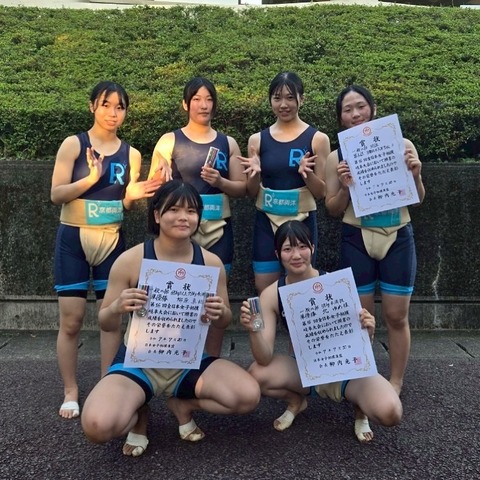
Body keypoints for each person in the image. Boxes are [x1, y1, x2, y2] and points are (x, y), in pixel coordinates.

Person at [81, 180, 260, 457]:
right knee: (97, 426)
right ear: (156, 215)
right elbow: (105, 322)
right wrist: (117, 306)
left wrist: (220, 312)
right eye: (173, 209)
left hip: (188, 360)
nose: (183, 217)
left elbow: (224, 321)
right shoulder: (130, 260)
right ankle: (140, 413)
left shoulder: (210, 263)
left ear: (199, 217)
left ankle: (183, 405)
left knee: (247, 396)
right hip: (139, 361)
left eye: (191, 211)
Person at [51, 81, 162, 419]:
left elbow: (125, 203)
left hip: (112, 241)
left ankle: (106, 385)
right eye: (106, 105)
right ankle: (71, 390)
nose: (113, 113)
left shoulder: (131, 154)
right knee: (71, 321)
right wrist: (90, 179)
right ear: (92, 106)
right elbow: (56, 194)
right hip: (73, 239)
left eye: (120, 107)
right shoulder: (74, 144)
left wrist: (132, 197)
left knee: (112, 319)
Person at [240, 220, 402, 443]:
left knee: (391, 412)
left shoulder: (337, 284)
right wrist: (254, 330)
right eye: (288, 249)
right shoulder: (271, 294)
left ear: (313, 248)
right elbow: (264, 357)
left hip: (346, 371)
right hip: (305, 368)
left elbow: (359, 344)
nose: (296, 255)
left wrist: (369, 330)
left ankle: (360, 410)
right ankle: (296, 402)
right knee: (257, 375)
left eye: (302, 247)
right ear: (278, 254)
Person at [325, 85, 426, 395]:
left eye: (361, 106)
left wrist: (416, 174)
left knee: (397, 315)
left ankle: (396, 381)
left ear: (373, 108)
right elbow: (332, 208)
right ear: (340, 117)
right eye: (348, 110)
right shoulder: (335, 157)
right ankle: (366, 382)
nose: (356, 114)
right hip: (356, 236)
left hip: (397, 233)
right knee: (361, 317)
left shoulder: (401, 144)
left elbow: (418, 199)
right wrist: (345, 186)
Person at [148, 77, 245, 357]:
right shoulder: (169, 140)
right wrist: (161, 171)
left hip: (219, 229)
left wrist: (220, 181)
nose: (204, 105)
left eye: (209, 99)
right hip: (180, 232)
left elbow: (242, 189)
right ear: (185, 104)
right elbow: (155, 184)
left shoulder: (228, 143)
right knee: (177, 294)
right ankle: (174, 356)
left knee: (215, 300)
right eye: (197, 99)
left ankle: (210, 360)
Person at [239, 71, 330, 295]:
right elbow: (251, 191)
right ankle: (268, 320)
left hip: (303, 220)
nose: (283, 104)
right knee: (264, 287)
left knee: (302, 287)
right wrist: (254, 174)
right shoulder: (257, 140)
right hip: (266, 221)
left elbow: (322, 192)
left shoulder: (318, 139)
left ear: (302, 99)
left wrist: (306, 174)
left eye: (290, 97)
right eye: (277, 98)